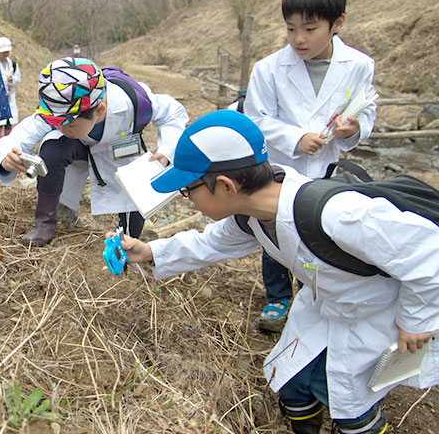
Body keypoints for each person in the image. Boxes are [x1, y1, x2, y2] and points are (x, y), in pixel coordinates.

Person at [115, 110, 438, 434]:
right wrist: (150, 252)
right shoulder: (253, 214)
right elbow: (211, 244)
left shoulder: (337, 215)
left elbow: (429, 254)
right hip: (327, 306)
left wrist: (415, 320)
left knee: (350, 405)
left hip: (378, 313)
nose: (188, 198)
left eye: (189, 189)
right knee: (294, 385)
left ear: (226, 186)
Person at [243, 0, 377, 332]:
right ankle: (277, 296)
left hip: (325, 169)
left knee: (317, 232)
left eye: (310, 28)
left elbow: (366, 111)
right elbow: (256, 119)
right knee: (274, 230)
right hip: (280, 166)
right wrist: (295, 136)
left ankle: (309, 294)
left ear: (338, 23)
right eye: (290, 29)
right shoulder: (268, 69)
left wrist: (355, 129)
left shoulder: (360, 65)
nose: (298, 39)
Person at [0, 57, 189, 246]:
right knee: (52, 149)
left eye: (69, 124)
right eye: (57, 123)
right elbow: (21, 135)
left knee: (133, 195)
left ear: (99, 111)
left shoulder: (134, 100)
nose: (62, 129)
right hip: (79, 147)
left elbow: (173, 113)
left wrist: (167, 151)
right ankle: (44, 223)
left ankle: (129, 238)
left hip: (120, 148)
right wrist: (8, 155)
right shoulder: (60, 104)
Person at [0, 36, 20, 147]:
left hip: (9, 96)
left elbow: (18, 79)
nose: (5, 54)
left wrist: (12, 80)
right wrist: (3, 80)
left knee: (9, 120)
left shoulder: (12, 64)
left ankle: (8, 140)